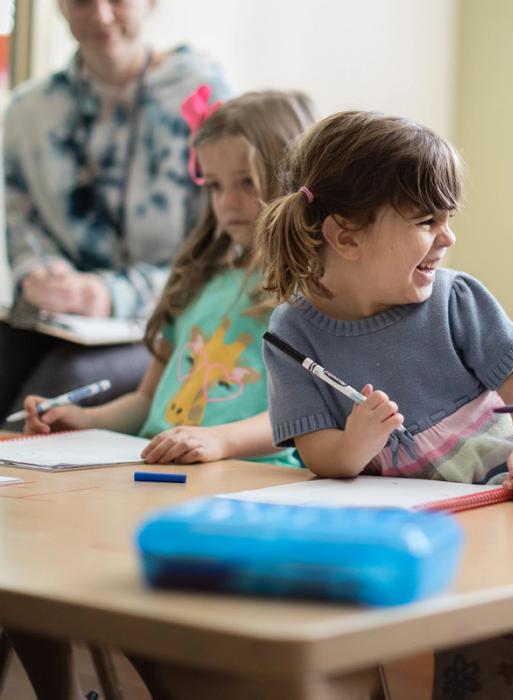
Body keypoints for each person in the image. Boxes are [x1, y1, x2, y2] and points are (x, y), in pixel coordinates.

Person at [7, 90, 315, 700]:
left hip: (252, 478)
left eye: (246, 183)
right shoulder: (199, 278)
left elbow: (305, 414)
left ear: (290, 182)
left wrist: (215, 440)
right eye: (215, 185)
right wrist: (81, 416)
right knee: (20, 547)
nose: (227, 203)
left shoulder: (307, 291)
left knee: (130, 585)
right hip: (156, 467)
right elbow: (147, 404)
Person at [257, 110, 513, 499]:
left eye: (448, 219)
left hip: (511, 497)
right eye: (426, 222)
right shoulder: (291, 333)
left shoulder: (455, 299)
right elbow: (318, 451)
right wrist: (356, 444)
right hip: (405, 523)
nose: (448, 238)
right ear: (346, 237)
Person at [0, 0, 234, 427]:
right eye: (82, 2)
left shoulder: (203, 98)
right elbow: (22, 229)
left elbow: (221, 248)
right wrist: (42, 275)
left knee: (59, 387)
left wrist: (111, 294)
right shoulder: (26, 113)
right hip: (60, 320)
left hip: (162, 325)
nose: (102, 16)